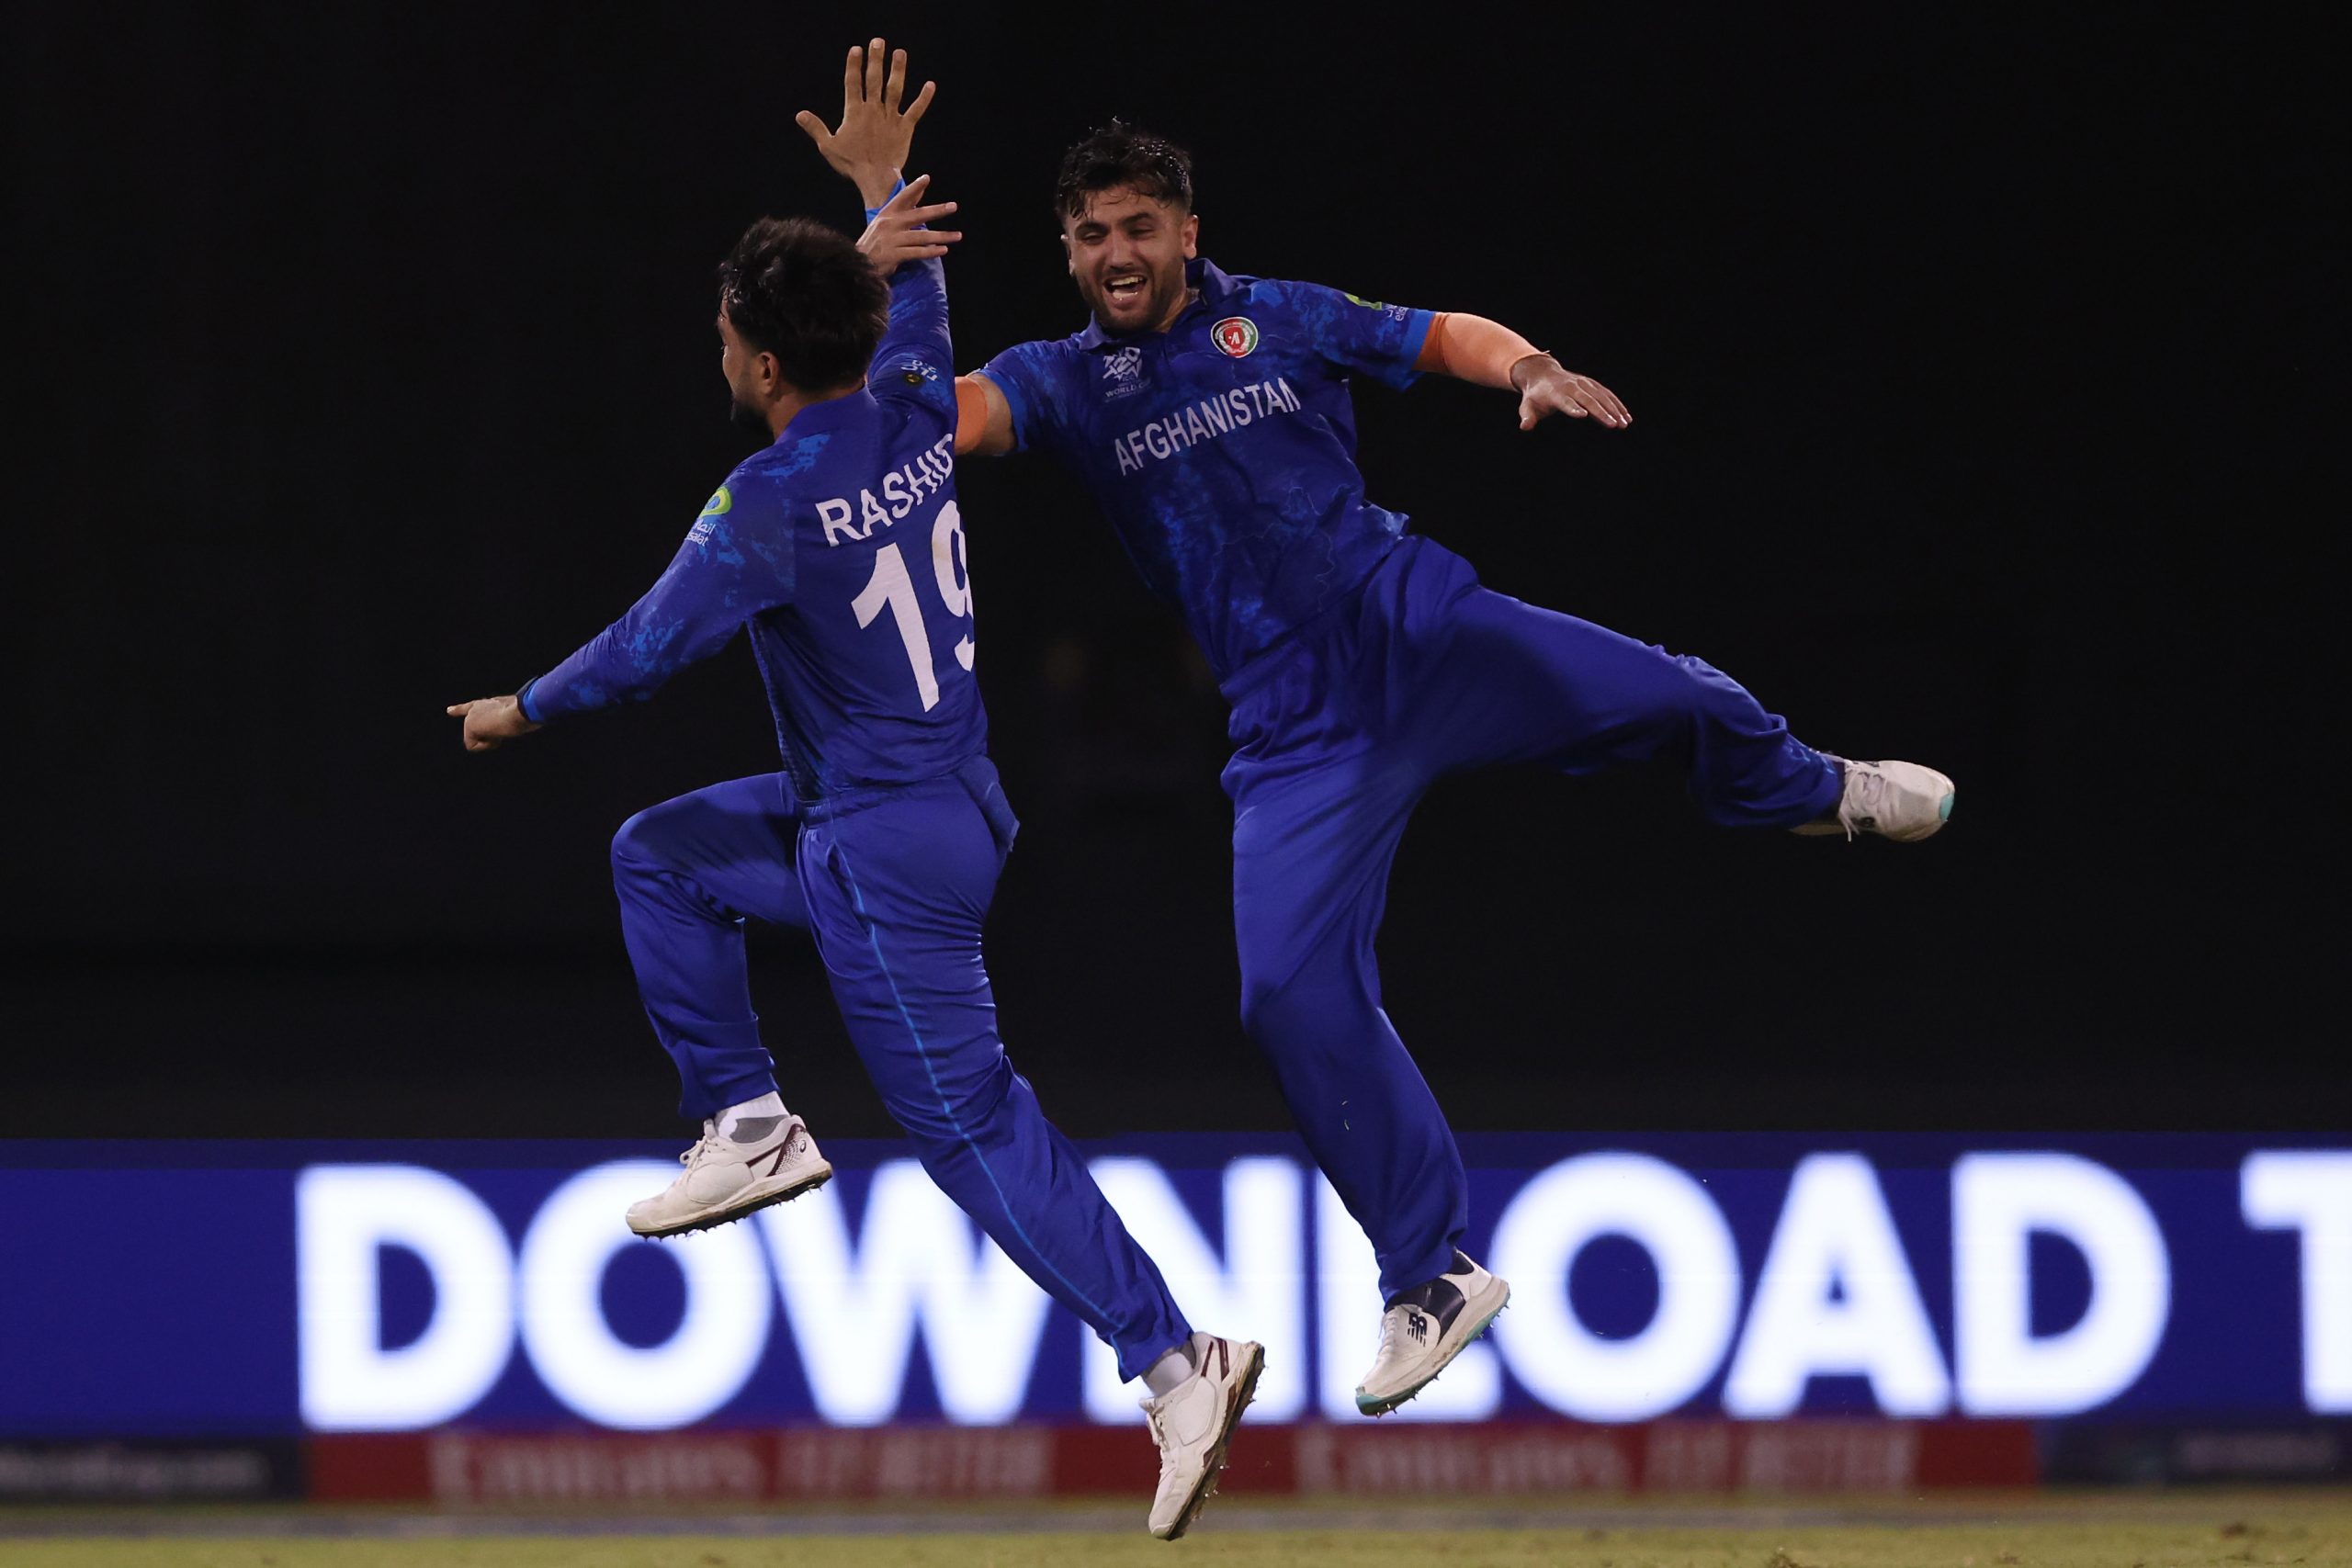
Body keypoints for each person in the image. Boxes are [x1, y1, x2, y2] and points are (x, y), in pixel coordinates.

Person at [799, 58, 1956, 1420]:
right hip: (1295, 733)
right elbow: (923, 427)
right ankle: (1432, 1273)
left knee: (1662, 696)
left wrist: (1527, 364)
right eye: (1091, 235)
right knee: (1284, 993)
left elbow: (1434, 333)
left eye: (1139, 228)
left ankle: (1816, 787)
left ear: (1185, 230)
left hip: (1410, 628)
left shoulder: (1275, 317)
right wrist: (880, 224)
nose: (1116, 254)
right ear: (1067, 252)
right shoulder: (1062, 382)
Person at [447, 47, 1259, 1540]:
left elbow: (638, 651)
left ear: (759, 363)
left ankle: (1172, 1361)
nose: (720, 355)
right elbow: (907, 299)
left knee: (967, 1129)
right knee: (662, 856)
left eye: (726, 337)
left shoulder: (762, 505)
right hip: (937, 796)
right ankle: (747, 1122)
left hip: (881, 854)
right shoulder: (906, 397)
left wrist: (521, 709)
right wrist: (876, 191)